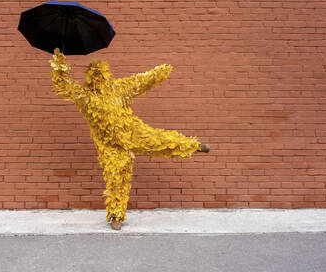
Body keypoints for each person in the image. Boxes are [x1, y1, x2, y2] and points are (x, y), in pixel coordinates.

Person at [50, 48, 210, 230]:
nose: (99, 80)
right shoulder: (85, 97)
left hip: (132, 132)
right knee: (116, 177)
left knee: (159, 140)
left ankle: (193, 146)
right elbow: (64, 86)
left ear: (106, 77)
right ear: (90, 80)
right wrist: (59, 61)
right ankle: (116, 216)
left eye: (101, 76)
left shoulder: (119, 88)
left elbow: (140, 82)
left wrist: (160, 71)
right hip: (110, 147)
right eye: (95, 77)